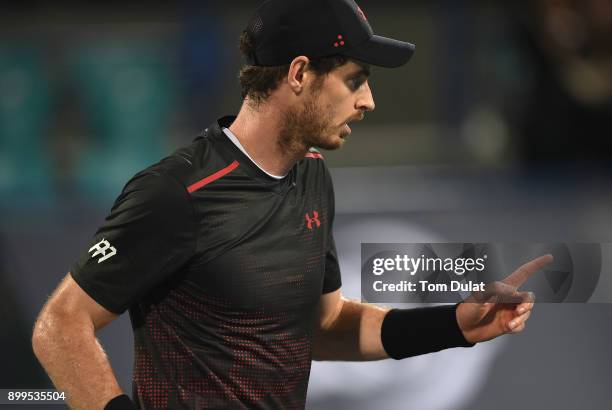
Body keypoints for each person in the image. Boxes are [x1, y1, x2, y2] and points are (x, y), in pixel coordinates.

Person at [32, 1, 553, 409]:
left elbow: (321, 328)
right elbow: (61, 325)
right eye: (355, 79)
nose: (368, 101)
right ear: (299, 73)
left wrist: (455, 325)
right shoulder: (175, 193)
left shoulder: (311, 178)